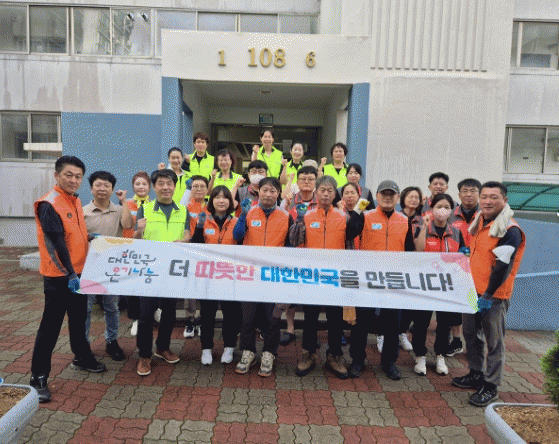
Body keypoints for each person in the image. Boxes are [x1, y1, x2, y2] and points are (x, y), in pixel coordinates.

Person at [30, 156, 106, 403]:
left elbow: (72, 235)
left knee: (79, 318)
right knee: (51, 326)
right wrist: (71, 274)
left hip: (79, 272)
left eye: (77, 176)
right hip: (59, 277)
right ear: (57, 175)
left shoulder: (74, 200)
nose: (73, 180)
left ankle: (81, 357)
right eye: (68, 175)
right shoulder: (49, 204)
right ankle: (38, 377)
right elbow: (56, 243)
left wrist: (88, 239)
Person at [452, 181, 526, 407]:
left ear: (505, 200)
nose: (487, 201)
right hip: (472, 291)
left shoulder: (510, 230)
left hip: (493, 296)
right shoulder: (479, 221)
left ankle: (491, 386)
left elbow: (503, 265)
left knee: (494, 343)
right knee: (470, 335)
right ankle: (476, 373)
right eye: (484, 197)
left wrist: (488, 295)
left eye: (494, 197)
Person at [290, 175, 364, 379]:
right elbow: (294, 240)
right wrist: (298, 220)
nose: (325, 194)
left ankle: (335, 356)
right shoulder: (307, 215)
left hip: (335, 276)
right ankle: (308, 354)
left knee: (335, 318)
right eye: (322, 190)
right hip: (312, 275)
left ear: (335, 194)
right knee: (310, 317)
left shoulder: (343, 217)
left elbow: (351, 241)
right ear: (316, 192)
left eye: (329, 191)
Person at [348, 180, 416, 381]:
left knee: (392, 324)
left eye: (391, 194)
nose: (387, 197)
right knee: (361, 323)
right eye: (383, 194)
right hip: (367, 279)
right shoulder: (366, 216)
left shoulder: (404, 221)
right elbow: (350, 232)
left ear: (398, 198)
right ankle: (357, 360)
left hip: (393, 280)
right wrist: (358, 209)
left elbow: (409, 251)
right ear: (376, 196)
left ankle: (389, 362)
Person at [233, 177, 294, 377]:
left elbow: (290, 247)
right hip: (250, 275)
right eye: (265, 190)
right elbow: (237, 236)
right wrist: (242, 215)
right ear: (258, 192)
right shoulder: (249, 212)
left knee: (272, 318)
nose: (268, 194)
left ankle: (269, 353)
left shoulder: (286, 216)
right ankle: (248, 352)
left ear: (278, 194)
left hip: (274, 277)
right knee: (247, 318)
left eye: (272, 191)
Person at [133, 169, 191, 376]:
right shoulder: (145, 209)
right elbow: (136, 240)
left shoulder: (183, 210)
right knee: (146, 315)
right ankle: (144, 355)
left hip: (172, 270)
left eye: (169, 183)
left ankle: (162, 347)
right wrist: (139, 230)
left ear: (175, 187)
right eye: (161, 183)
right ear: (154, 187)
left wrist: (184, 240)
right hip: (149, 270)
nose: (166, 187)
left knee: (169, 312)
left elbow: (187, 233)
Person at [412, 193, 466, 376]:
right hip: (425, 284)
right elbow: (419, 250)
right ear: (432, 209)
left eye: (446, 207)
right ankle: (420, 355)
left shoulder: (456, 232)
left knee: (444, 324)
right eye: (439, 207)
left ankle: (440, 355)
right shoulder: (423, 228)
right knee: (421, 323)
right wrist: (424, 227)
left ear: (451, 211)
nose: (442, 210)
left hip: (447, 286)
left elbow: (463, 256)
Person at [83, 171, 133, 361]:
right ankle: (83, 344)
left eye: (106, 185)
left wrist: (124, 201)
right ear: (91, 188)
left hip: (112, 267)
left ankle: (111, 341)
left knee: (112, 307)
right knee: (86, 309)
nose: (102, 189)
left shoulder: (119, 210)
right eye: (98, 185)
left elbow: (128, 225)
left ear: (112, 189)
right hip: (89, 267)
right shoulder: (83, 211)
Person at [190, 186, 242, 365]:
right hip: (208, 276)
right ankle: (206, 348)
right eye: (217, 197)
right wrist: (199, 226)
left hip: (231, 275)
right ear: (211, 201)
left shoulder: (237, 222)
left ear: (230, 202)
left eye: (225, 197)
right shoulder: (204, 220)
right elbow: (196, 246)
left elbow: (243, 246)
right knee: (207, 313)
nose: (221, 200)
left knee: (231, 314)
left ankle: (229, 347)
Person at [445, 178, 482, 357]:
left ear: (479, 194)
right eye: (465, 191)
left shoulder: (485, 216)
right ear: (459, 195)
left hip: (479, 269)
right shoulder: (450, 215)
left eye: (473, 191)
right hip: (455, 269)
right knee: (454, 307)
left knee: (476, 308)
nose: (469, 195)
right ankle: (457, 341)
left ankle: (475, 345)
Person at [122, 172, 151, 336]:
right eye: (137, 184)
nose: (141, 187)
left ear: (149, 187)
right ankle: (135, 319)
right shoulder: (126, 204)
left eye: (144, 184)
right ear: (133, 186)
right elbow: (125, 224)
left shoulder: (153, 205)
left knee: (147, 282)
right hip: (130, 250)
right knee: (132, 286)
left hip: (147, 250)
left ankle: (153, 310)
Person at [180, 175, 209, 338]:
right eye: (195, 186)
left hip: (208, 250)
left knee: (205, 286)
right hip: (189, 249)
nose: (198, 189)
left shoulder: (211, 206)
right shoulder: (185, 205)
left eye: (202, 186)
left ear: (207, 189)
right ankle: (190, 321)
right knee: (190, 287)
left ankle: (203, 320)